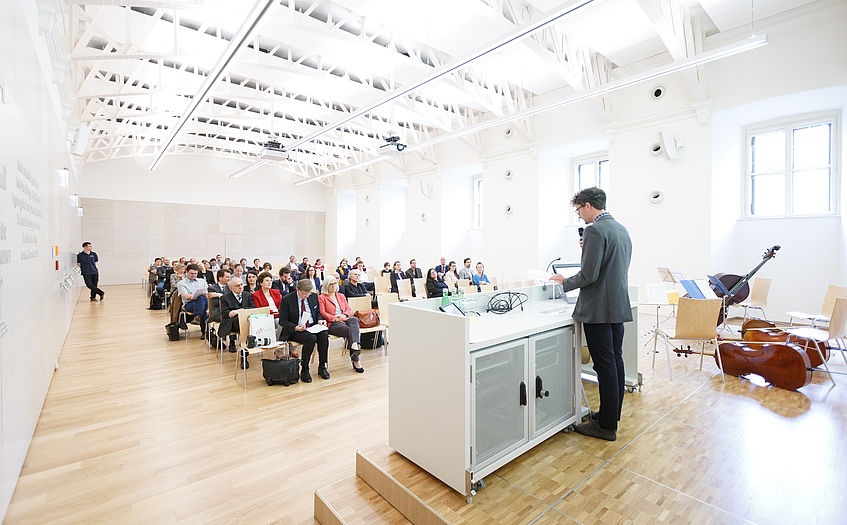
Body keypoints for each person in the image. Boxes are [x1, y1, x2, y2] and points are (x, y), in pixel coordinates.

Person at [550, 187, 632, 442]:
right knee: (615, 362)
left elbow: (589, 275)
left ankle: (606, 427)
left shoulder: (595, 230)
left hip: (598, 308)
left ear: (587, 205)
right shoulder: (620, 228)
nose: (579, 217)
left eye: (578, 211)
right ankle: (610, 416)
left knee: (604, 365)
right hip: (617, 305)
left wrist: (564, 281)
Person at [280, 279, 330, 383]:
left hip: (312, 326)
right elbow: (282, 321)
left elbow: (317, 312)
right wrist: (294, 327)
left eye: (308, 293)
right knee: (310, 338)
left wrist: (320, 319)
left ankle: (322, 366)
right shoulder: (287, 299)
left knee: (324, 335)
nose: (306, 296)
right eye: (304, 294)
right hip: (295, 329)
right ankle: (305, 368)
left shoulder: (313, 296)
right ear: (297, 289)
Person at [318, 278, 363, 373]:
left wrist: (345, 315)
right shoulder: (322, 297)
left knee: (354, 319)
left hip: (344, 318)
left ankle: (354, 344)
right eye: (331, 284)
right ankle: (356, 360)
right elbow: (322, 313)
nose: (333, 286)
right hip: (332, 323)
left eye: (334, 283)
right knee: (350, 331)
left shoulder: (341, 295)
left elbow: (348, 308)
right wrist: (335, 318)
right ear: (326, 286)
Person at [220, 278, 255, 357]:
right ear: (231, 288)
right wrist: (230, 313)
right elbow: (224, 313)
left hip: (247, 320)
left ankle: (244, 346)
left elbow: (253, 308)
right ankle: (238, 343)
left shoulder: (248, 295)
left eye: (242, 284)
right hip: (233, 322)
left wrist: (239, 311)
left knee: (248, 321)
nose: (240, 287)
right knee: (238, 320)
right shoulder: (225, 297)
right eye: (237, 285)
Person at [177, 264, 208, 337]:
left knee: (201, 300)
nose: (193, 275)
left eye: (195, 273)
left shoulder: (202, 281)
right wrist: (195, 295)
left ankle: (197, 317)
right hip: (189, 304)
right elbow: (186, 296)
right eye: (191, 273)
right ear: (187, 272)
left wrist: (203, 294)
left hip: (203, 302)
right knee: (202, 307)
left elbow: (207, 293)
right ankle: (205, 333)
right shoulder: (181, 283)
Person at [251, 271, 283, 341]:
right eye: (267, 281)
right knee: (282, 323)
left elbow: (281, 306)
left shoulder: (276, 292)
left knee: (289, 323)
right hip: (267, 318)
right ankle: (278, 343)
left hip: (278, 316)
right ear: (261, 283)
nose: (270, 282)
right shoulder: (256, 295)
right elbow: (260, 311)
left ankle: (287, 345)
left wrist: (279, 313)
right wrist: (276, 314)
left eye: (271, 280)